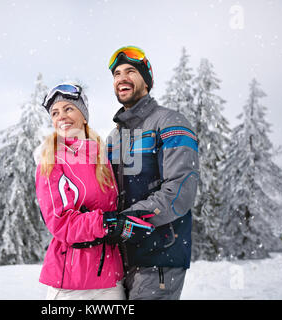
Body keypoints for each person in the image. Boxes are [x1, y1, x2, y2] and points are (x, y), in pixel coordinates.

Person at [35, 83, 155, 300]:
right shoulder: (52, 161)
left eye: (68, 108)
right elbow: (60, 223)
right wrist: (107, 223)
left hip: (110, 280)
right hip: (71, 283)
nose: (61, 116)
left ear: (84, 115)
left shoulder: (101, 156)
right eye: (55, 112)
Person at [106, 46, 200, 300]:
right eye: (116, 74)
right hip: (118, 260)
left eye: (131, 71)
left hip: (159, 256)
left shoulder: (171, 123)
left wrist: (128, 219)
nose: (122, 78)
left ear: (146, 82)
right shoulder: (113, 138)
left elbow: (181, 190)